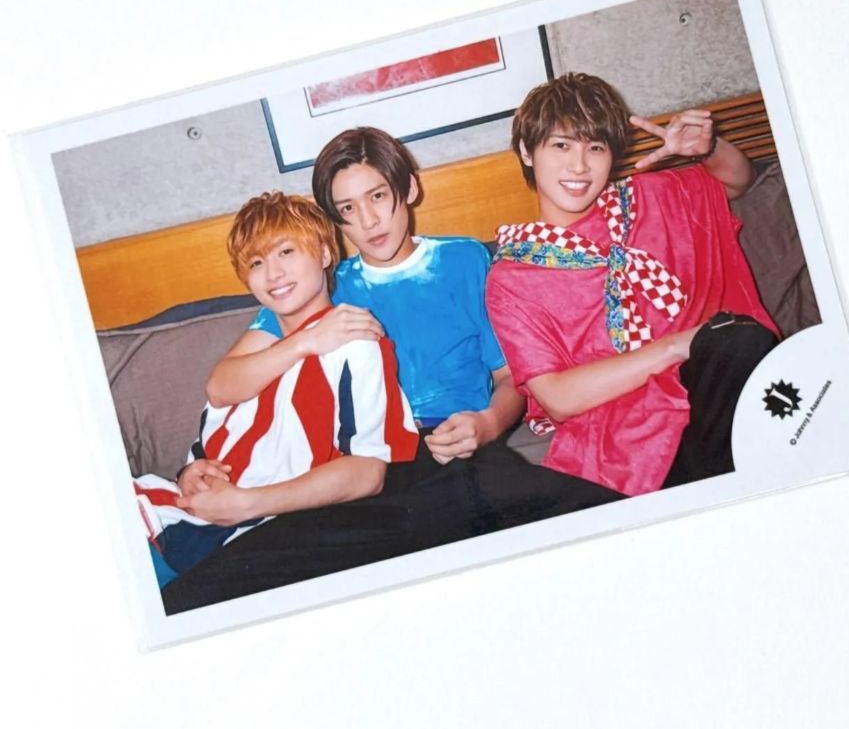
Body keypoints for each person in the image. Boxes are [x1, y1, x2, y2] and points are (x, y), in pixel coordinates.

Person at [161, 128, 623, 614]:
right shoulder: (319, 283)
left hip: (454, 451)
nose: (368, 220)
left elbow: (510, 378)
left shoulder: (462, 259)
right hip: (362, 468)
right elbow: (223, 383)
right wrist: (305, 341)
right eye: (348, 208)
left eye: (378, 196)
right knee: (248, 569)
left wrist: (488, 423)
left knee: (570, 518)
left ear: (409, 189)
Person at [485, 72, 779, 497]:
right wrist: (677, 346)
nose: (579, 166)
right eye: (562, 145)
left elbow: (739, 180)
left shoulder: (646, 198)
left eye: (596, 148)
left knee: (743, 341)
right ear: (528, 152)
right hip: (623, 437)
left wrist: (709, 148)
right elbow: (558, 399)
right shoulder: (511, 277)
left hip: (710, 385)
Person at [135, 192, 418, 581]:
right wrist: (191, 471)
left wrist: (246, 504)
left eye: (286, 252)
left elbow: (368, 472)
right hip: (177, 512)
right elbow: (218, 394)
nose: (273, 274)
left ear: (324, 254)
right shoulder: (261, 350)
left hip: (244, 532)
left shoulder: (354, 342)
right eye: (257, 262)